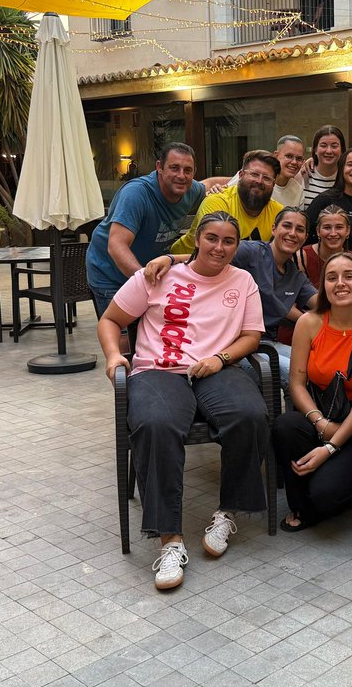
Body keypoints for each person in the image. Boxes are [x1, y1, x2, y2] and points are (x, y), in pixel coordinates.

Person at [98, 212, 269, 591]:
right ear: (196, 239)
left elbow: (251, 336)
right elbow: (109, 320)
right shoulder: (158, 275)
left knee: (251, 414)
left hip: (216, 368)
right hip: (158, 370)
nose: (219, 248)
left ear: (236, 246)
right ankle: (170, 540)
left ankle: (226, 513)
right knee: (156, 423)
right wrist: (113, 356)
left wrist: (221, 359)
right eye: (211, 238)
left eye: (228, 241)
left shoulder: (243, 281)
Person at [273, 251, 352, 531]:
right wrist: (320, 423)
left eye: (349, 276)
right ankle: (305, 506)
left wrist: (330, 447)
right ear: (323, 285)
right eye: (331, 277)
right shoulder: (309, 323)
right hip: (319, 413)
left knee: (326, 494)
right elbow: (297, 385)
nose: (340, 283)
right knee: (285, 425)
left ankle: (340, 487)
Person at [145, 207, 316, 381]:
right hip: (235, 345)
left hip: (269, 343)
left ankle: (294, 408)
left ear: (306, 237)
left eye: (300, 230)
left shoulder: (295, 275)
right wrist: (171, 258)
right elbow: (211, 254)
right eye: (287, 226)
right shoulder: (251, 252)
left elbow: (323, 303)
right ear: (274, 228)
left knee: (315, 365)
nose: (292, 233)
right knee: (297, 374)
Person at [86, 141, 205, 317]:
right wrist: (146, 282)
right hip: (110, 274)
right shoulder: (136, 193)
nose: (181, 175)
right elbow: (116, 245)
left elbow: (210, 183)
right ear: (159, 167)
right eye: (174, 168)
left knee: (151, 333)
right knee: (122, 337)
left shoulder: (191, 190)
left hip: (148, 271)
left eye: (188, 170)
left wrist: (242, 178)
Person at [171, 151, 283, 253]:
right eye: (254, 174)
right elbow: (214, 252)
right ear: (241, 175)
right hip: (184, 264)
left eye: (267, 178)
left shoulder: (278, 213)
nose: (259, 181)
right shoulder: (218, 202)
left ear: (273, 184)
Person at [305, 147, 352, 273]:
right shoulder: (325, 200)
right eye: (350, 164)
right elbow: (304, 231)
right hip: (329, 274)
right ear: (341, 169)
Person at [210, 135, 306, 207]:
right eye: (289, 156)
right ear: (276, 155)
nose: (294, 162)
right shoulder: (250, 176)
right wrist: (215, 191)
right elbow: (225, 196)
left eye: (299, 158)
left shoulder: (298, 191)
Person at [300, 125, 346, 207]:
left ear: (342, 150)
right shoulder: (303, 175)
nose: (329, 151)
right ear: (315, 150)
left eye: (334, 146)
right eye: (323, 145)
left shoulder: (347, 178)